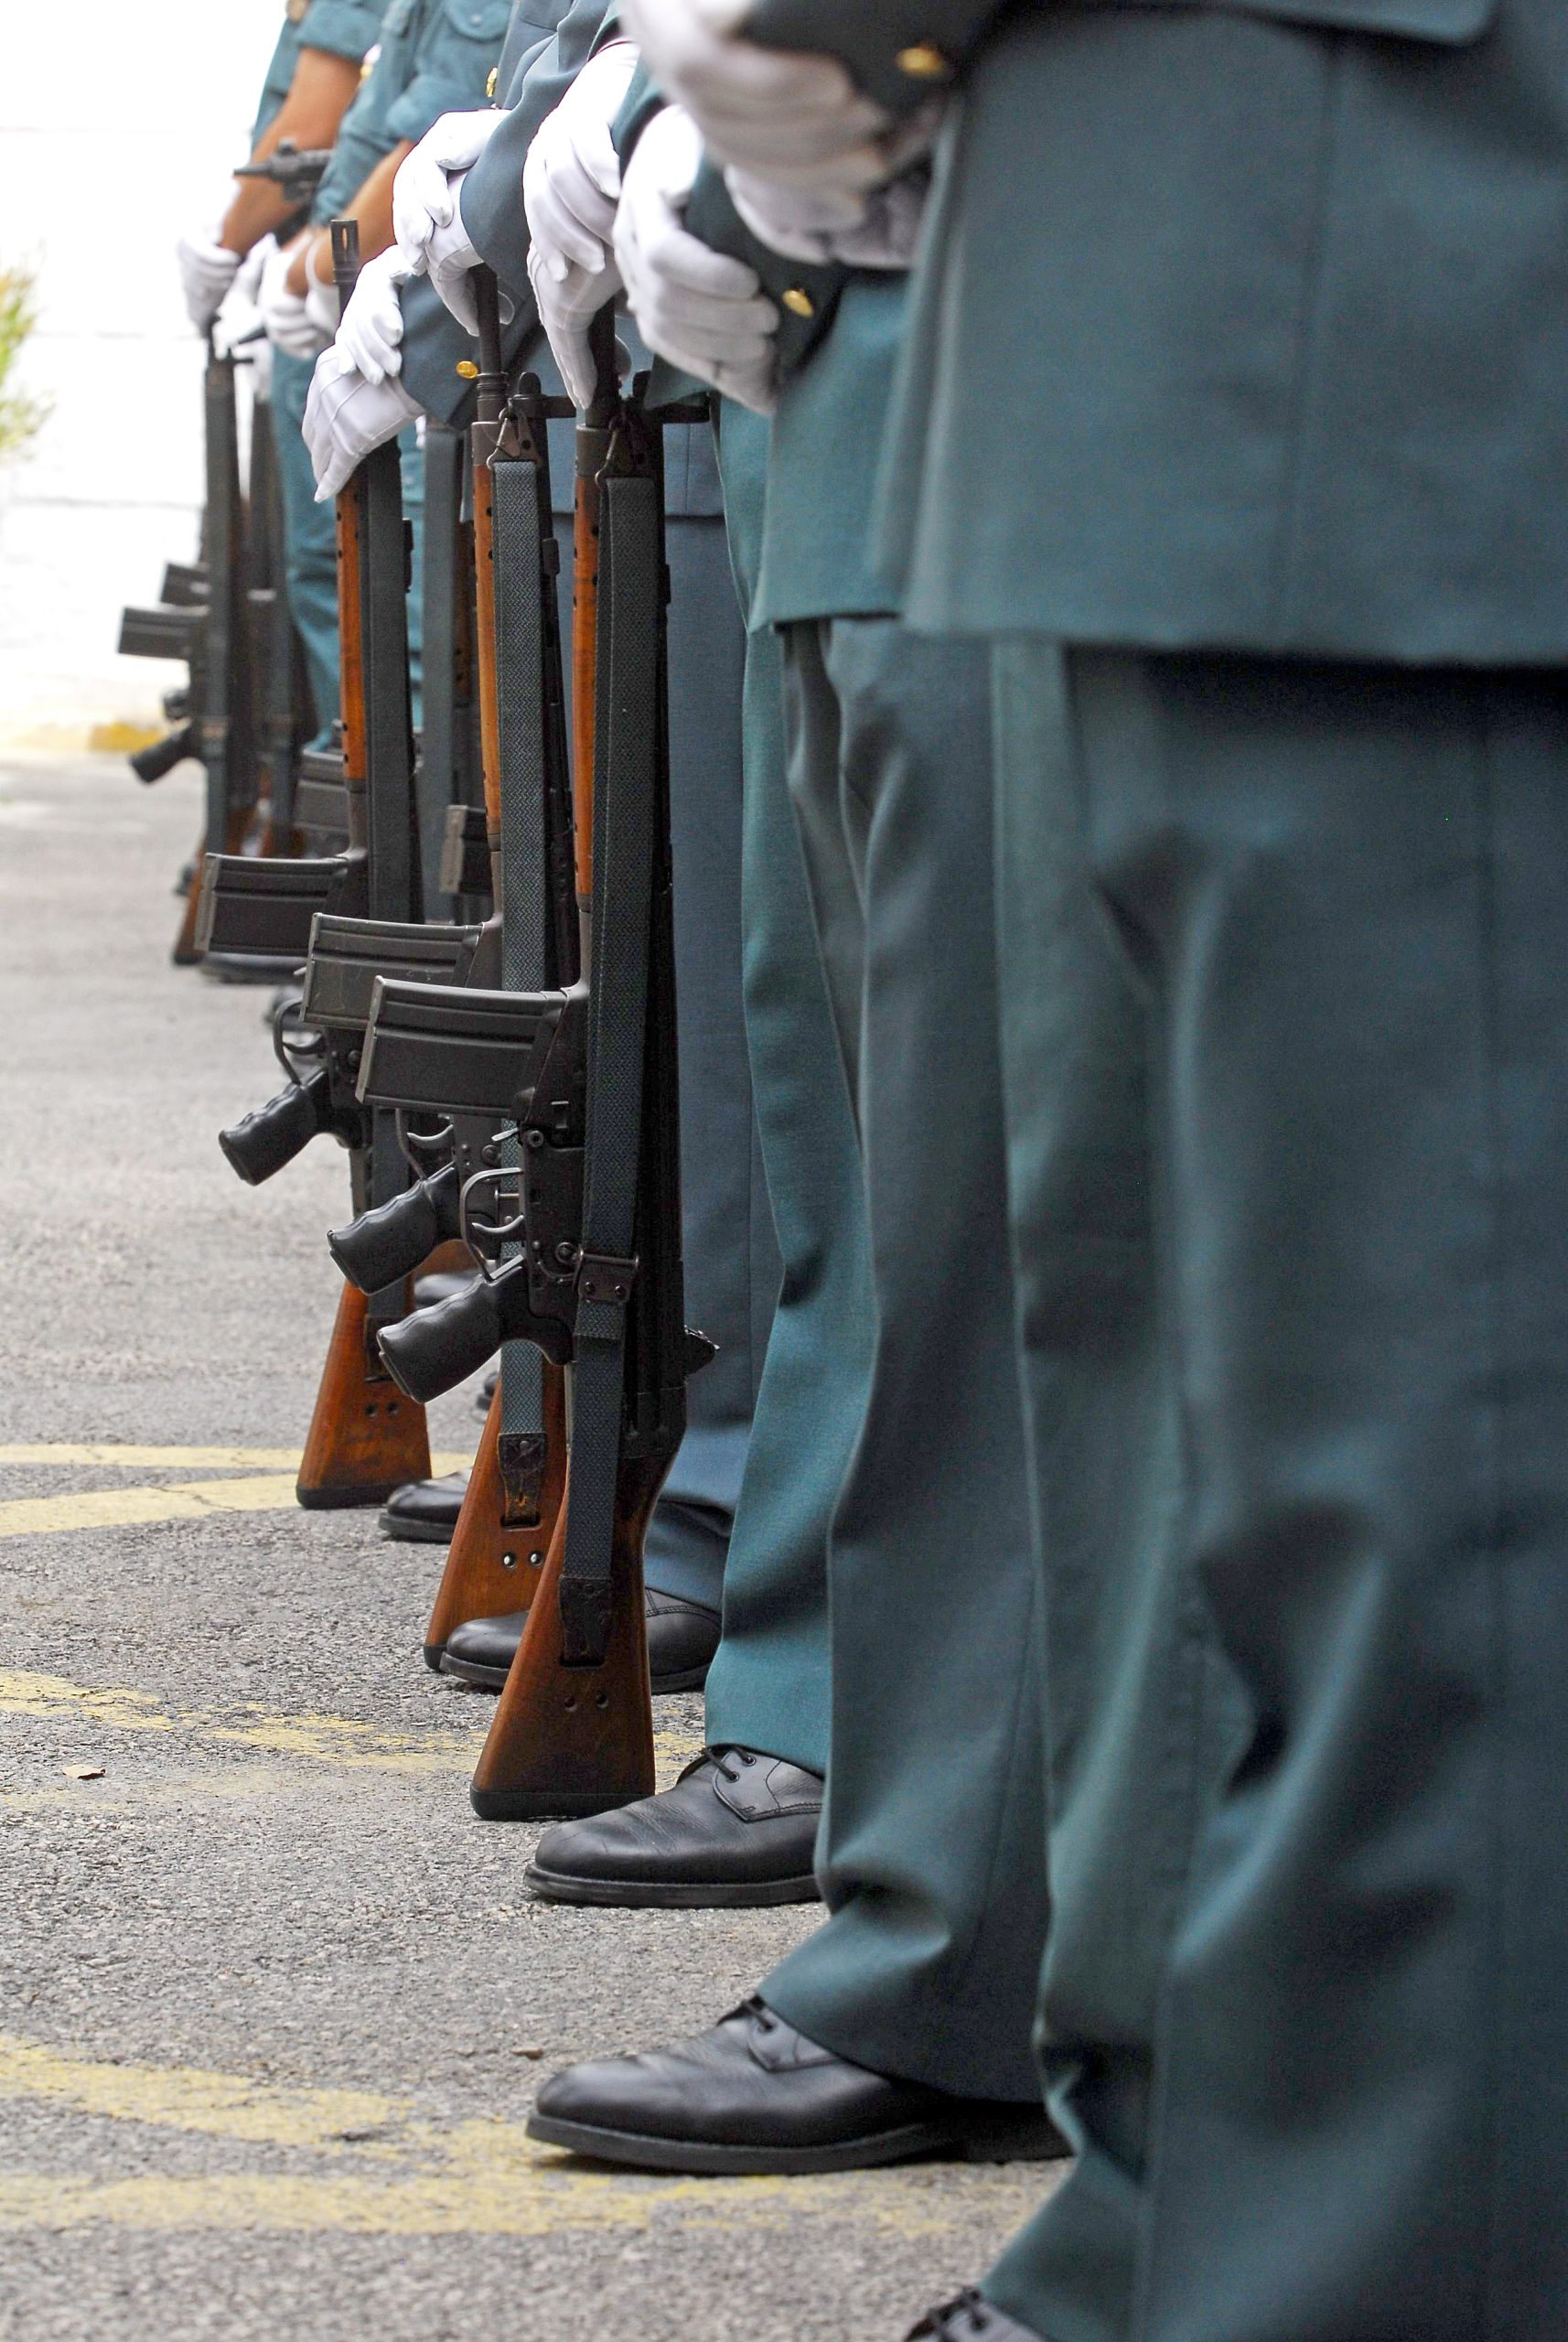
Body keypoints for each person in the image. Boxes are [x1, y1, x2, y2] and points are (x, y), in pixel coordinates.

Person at [616, 0, 1568, 2336]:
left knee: (1408, 1490)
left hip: (1362, 266)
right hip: (1176, 282)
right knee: (1162, 1354)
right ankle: (1175, 2179)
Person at [175, 0, 381, 734]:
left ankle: (354, 808)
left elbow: (312, 122)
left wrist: (230, 242)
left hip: (335, 284)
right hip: (317, 275)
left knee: (340, 576)